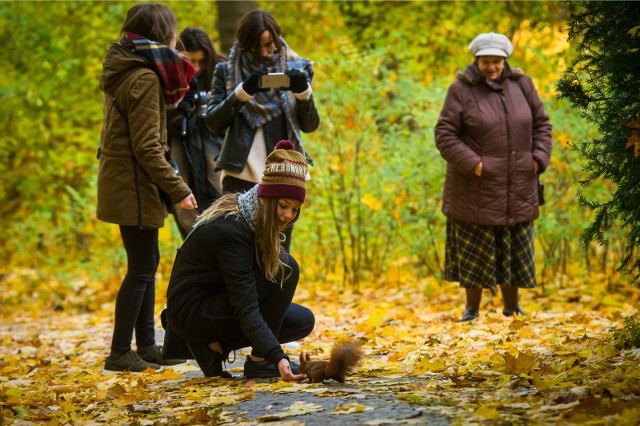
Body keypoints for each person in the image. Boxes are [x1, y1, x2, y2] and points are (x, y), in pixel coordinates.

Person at [97, 3, 198, 372]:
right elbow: (147, 146)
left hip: (129, 182)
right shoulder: (144, 77)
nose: (176, 39)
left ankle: (145, 346)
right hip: (134, 185)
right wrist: (178, 188)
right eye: (172, 31)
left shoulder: (128, 68)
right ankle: (120, 352)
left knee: (146, 263)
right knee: (141, 267)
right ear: (161, 34)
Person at [163, 140, 314, 380]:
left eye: (294, 209)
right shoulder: (233, 229)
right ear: (265, 198)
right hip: (191, 313)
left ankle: (215, 347)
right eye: (283, 205)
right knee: (285, 268)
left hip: (218, 301)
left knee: (302, 321)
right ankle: (258, 361)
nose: (288, 215)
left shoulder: (252, 217)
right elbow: (245, 307)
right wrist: (276, 356)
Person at [434, 32, 552, 322]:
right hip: (475, 186)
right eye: (486, 61)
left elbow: (542, 124)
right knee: (476, 248)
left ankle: (513, 307)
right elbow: (445, 133)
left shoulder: (522, 84)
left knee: (513, 244)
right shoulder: (461, 89)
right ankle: (471, 309)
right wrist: (475, 164)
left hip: (519, 182)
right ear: (476, 60)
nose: (492, 67)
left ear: (505, 60)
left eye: (497, 61)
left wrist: (538, 159)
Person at [203, 9, 319, 196]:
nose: (264, 52)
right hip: (239, 173)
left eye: (268, 44)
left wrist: (303, 93)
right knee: (235, 226)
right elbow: (212, 123)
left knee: (280, 226)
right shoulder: (226, 71)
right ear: (245, 45)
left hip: (284, 172)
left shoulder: (298, 67)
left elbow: (310, 125)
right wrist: (243, 92)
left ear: (277, 37)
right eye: (257, 48)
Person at [168, 27, 226, 238]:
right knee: (186, 205)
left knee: (220, 197)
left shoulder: (222, 69)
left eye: (201, 61)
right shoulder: (169, 76)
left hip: (216, 147)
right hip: (181, 146)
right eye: (192, 61)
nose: (197, 67)